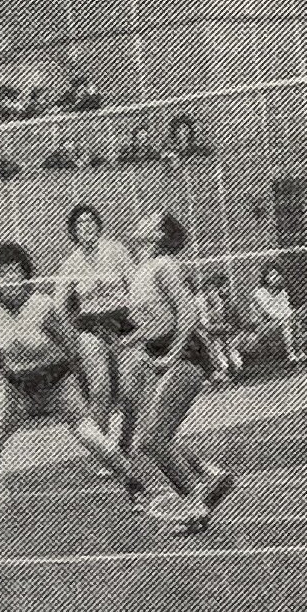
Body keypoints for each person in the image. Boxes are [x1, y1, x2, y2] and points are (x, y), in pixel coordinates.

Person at [0, 242, 144, 522]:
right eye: (2, 275)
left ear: (25, 275)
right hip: (16, 388)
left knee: (90, 436)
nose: (10, 280)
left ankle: (133, 484)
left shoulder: (43, 305)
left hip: (57, 382)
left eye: (15, 272)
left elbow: (72, 347)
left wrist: (76, 384)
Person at [121, 213, 236, 535]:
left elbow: (188, 312)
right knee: (155, 436)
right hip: (161, 356)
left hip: (184, 357)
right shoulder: (142, 269)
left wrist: (173, 353)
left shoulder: (164, 265)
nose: (141, 219)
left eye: (150, 219)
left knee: (153, 440)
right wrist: (130, 340)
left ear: (159, 234)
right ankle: (211, 474)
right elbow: (158, 320)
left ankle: (196, 505)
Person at [54, 204, 137, 444]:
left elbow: (136, 288)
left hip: (122, 324)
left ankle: (125, 444)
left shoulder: (116, 250)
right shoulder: (70, 264)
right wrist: (67, 337)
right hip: (91, 329)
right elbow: (59, 308)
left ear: (98, 225)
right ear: (73, 231)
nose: (86, 226)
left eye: (90, 221)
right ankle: (103, 449)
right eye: (80, 223)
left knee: (130, 390)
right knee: (100, 388)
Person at [248, 263, 307, 366]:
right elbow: (270, 313)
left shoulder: (282, 292)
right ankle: (290, 354)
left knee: (295, 321)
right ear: (266, 278)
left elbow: (287, 309)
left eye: (277, 275)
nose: (276, 278)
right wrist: (291, 315)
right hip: (262, 327)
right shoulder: (260, 293)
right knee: (286, 321)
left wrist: (295, 314)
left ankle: (300, 352)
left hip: (279, 322)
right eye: (272, 275)